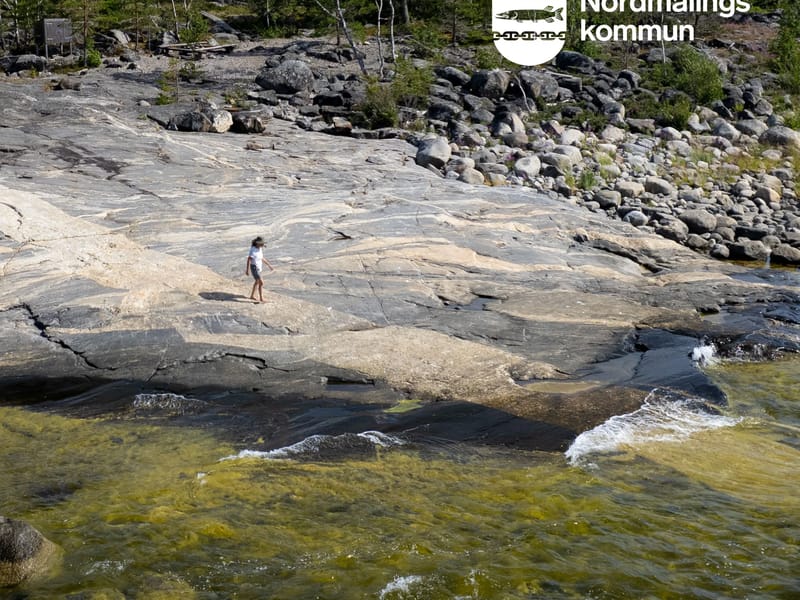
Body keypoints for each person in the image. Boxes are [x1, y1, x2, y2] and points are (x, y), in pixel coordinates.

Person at [245, 236, 274, 302]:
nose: (262, 245)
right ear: (257, 243)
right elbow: (249, 260)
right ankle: (261, 298)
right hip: (254, 268)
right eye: (261, 244)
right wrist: (247, 270)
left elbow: (261, 258)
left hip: (259, 268)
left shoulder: (260, 249)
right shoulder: (253, 250)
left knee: (257, 282)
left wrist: (269, 265)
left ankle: (252, 296)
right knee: (261, 282)